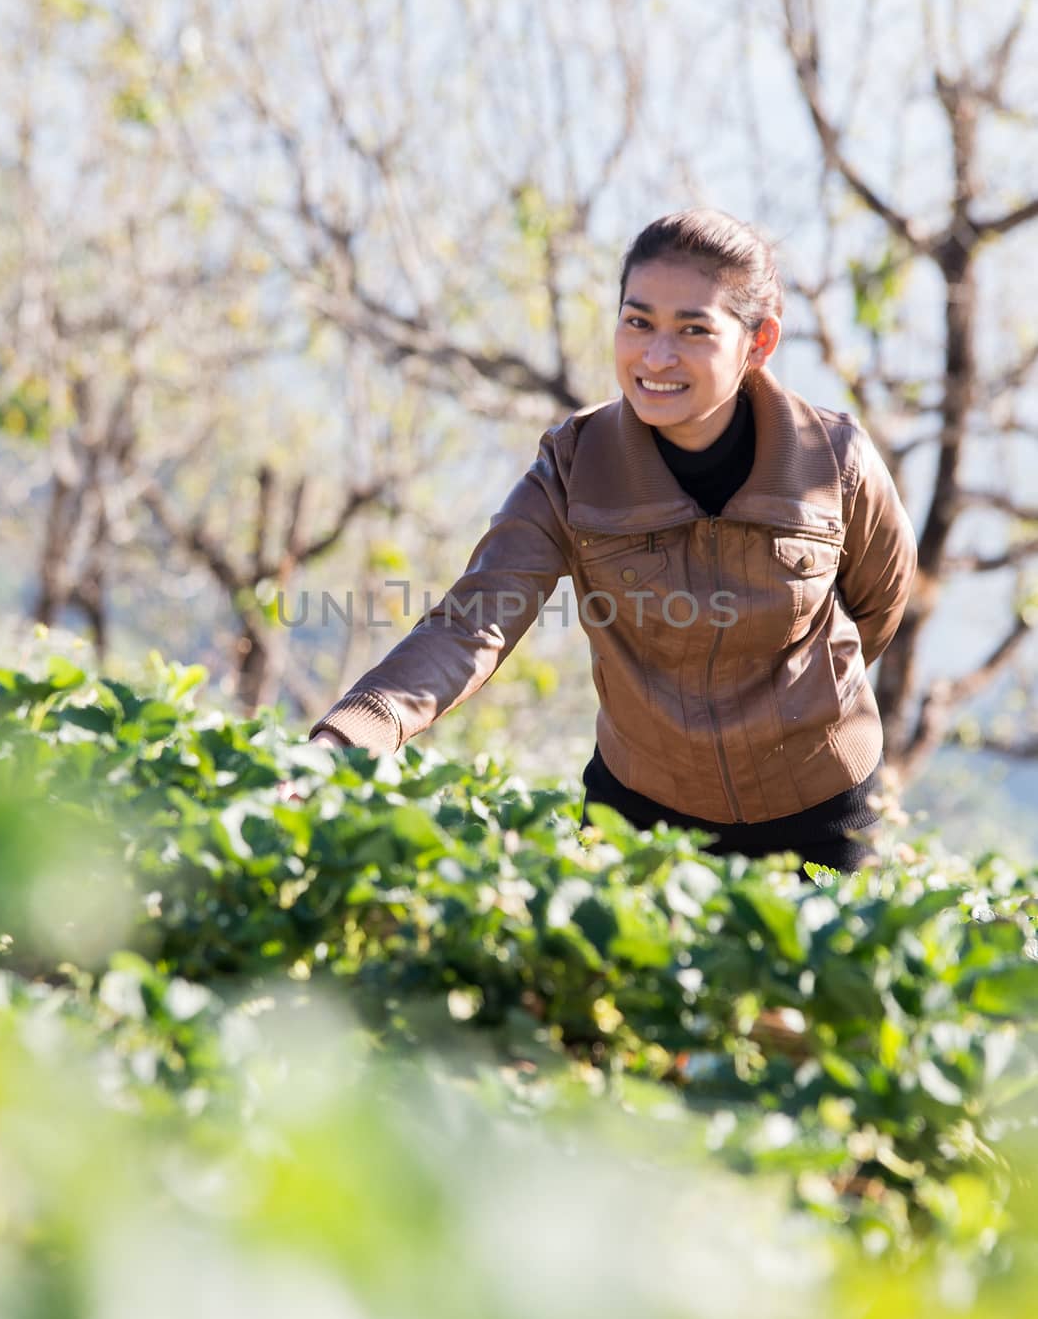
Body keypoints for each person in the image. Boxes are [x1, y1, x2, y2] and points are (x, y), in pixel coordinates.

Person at [305, 209, 918, 875]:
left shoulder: (834, 461)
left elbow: (878, 606)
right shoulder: (574, 469)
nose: (656, 357)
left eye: (693, 330)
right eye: (638, 321)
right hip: (643, 813)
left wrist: (800, 701)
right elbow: (471, 624)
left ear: (759, 341)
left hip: (822, 813)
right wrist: (348, 736)